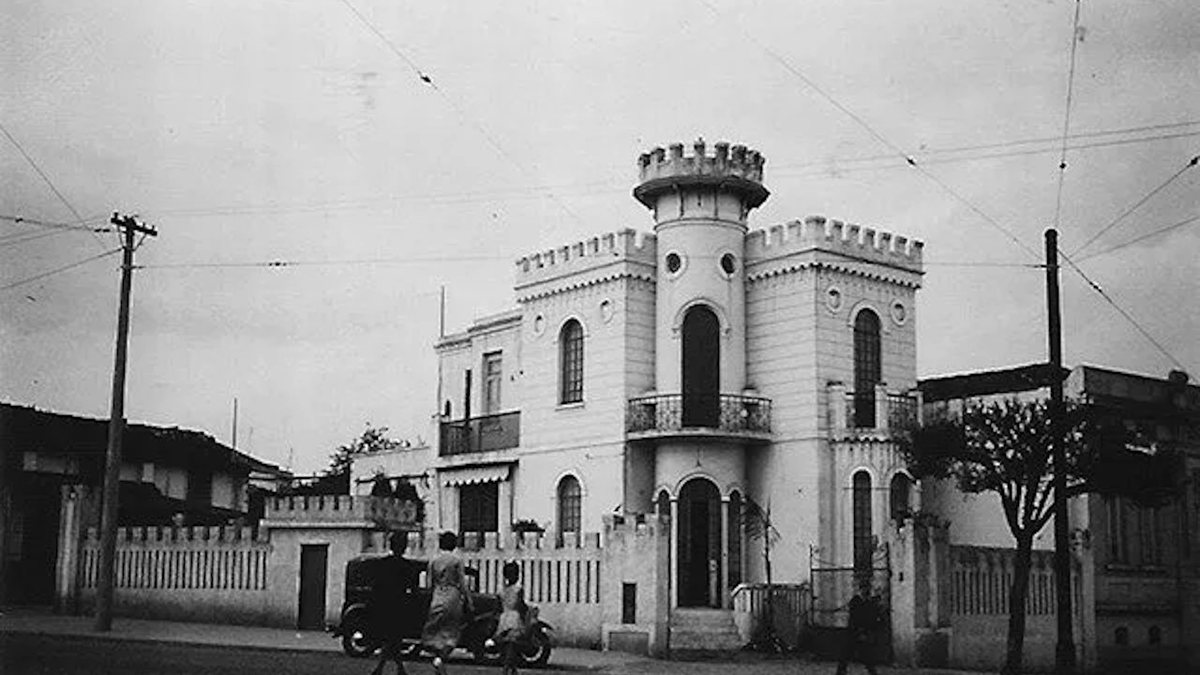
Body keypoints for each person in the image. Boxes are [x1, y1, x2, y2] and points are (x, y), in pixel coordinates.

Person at [370, 530, 426, 675]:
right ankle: (395, 668)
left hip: (385, 605)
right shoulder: (408, 567)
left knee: (390, 639)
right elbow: (413, 590)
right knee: (394, 639)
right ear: (404, 547)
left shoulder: (382, 564)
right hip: (400, 605)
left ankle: (386, 668)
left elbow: (376, 587)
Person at [422, 531, 473, 675]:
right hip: (453, 598)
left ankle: (439, 664)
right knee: (452, 634)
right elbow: (462, 583)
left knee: (436, 633)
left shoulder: (434, 560)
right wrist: (469, 601)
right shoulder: (456, 560)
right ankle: (440, 660)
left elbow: (430, 584)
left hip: (438, 596)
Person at [836, 577, 882, 675]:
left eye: (868, 588)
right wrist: (859, 630)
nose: (867, 591)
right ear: (862, 589)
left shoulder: (867, 602)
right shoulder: (856, 601)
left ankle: (871, 671)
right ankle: (841, 671)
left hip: (862, 631)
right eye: (865, 588)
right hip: (854, 631)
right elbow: (855, 617)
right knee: (847, 653)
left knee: (865, 655)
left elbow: (872, 616)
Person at [492, 561, 529, 675]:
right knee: (513, 647)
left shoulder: (500, 591)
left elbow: (497, 608)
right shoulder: (518, 589)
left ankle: (512, 670)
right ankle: (507, 669)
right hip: (514, 618)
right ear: (517, 575)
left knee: (507, 647)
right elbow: (521, 606)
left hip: (504, 619)